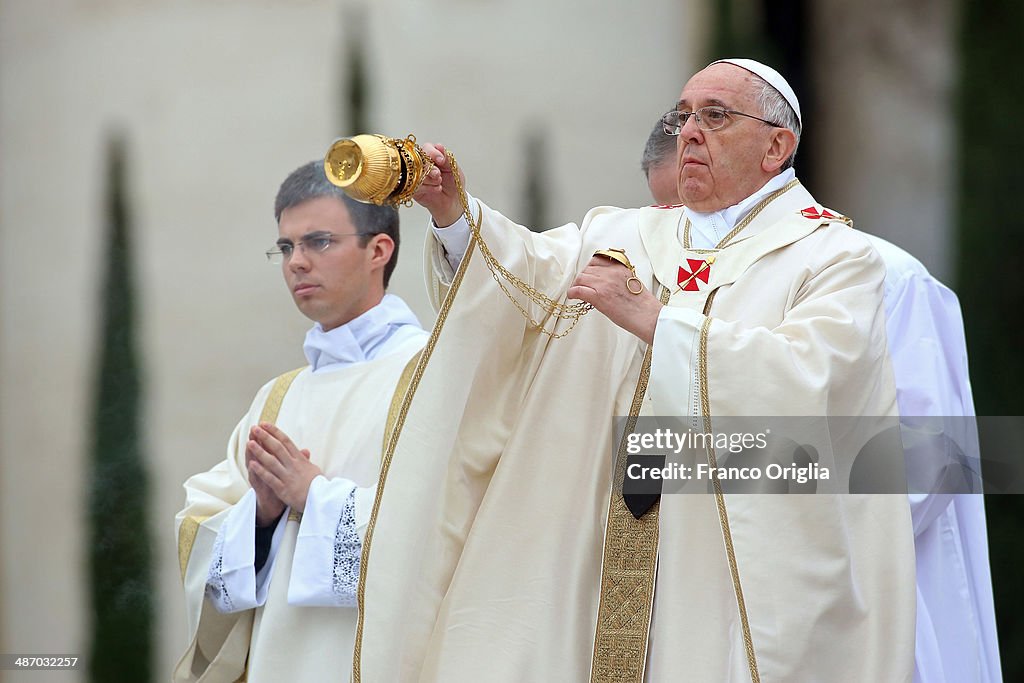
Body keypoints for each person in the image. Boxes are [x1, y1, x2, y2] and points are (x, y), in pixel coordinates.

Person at [355, 59, 916, 682]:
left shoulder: (836, 257)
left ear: (777, 147)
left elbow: (810, 381)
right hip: (588, 545)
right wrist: (456, 212)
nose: (690, 132)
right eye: (684, 116)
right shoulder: (621, 232)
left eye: (716, 116)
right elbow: (524, 277)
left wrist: (655, 320)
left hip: (716, 566)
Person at [643, 117, 1003, 683]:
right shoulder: (684, 286)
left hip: (860, 594)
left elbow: (931, 461)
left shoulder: (885, 275)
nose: (680, 235)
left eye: (686, 214)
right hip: (717, 595)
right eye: (664, 216)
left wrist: (746, 509)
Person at [173, 161, 427, 683]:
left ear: (379, 250)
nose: (297, 263)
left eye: (319, 242)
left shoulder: (432, 375)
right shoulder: (278, 398)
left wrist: (315, 496)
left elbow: (454, 529)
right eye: (286, 248)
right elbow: (201, 534)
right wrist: (260, 515)